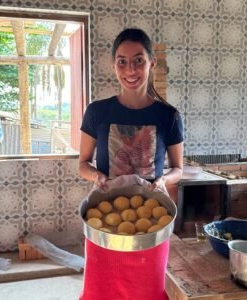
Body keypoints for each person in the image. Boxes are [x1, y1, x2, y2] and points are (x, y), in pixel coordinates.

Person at [78, 28, 184, 300]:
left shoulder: (169, 116)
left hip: (151, 225)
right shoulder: (97, 112)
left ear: (152, 63)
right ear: (114, 65)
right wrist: (96, 177)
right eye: (122, 61)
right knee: (101, 292)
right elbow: (82, 165)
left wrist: (162, 181)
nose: (130, 69)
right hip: (105, 228)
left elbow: (178, 169)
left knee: (147, 292)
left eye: (139, 60)